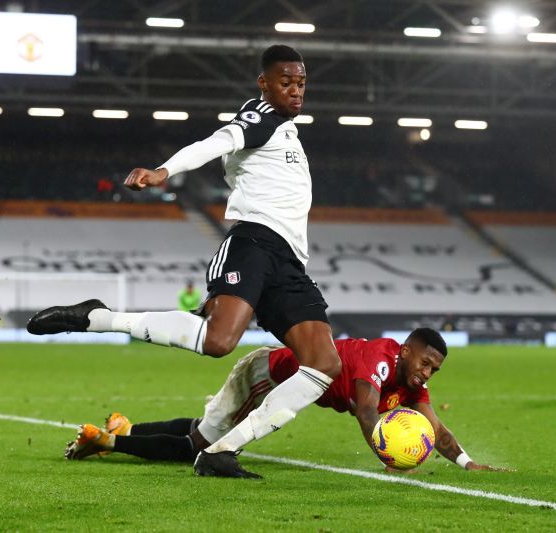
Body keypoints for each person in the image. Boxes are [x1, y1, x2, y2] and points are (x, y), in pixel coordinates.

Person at [26, 45, 342, 478]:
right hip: (254, 242)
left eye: (301, 82)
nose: (295, 90)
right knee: (218, 342)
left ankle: (220, 451)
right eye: (285, 81)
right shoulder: (261, 117)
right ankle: (98, 318)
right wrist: (164, 171)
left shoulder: (285, 129)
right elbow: (219, 141)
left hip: (289, 262)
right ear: (264, 83)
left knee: (325, 363)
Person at [63, 328, 500, 474]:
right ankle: (106, 442)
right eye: (424, 363)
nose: (426, 374)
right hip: (268, 375)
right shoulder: (381, 359)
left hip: (272, 376)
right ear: (406, 350)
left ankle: (127, 428)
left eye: (433, 370)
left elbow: (435, 430)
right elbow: (367, 410)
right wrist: (386, 451)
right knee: (200, 447)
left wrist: (466, 463)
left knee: (205, 427)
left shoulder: (411, 384)